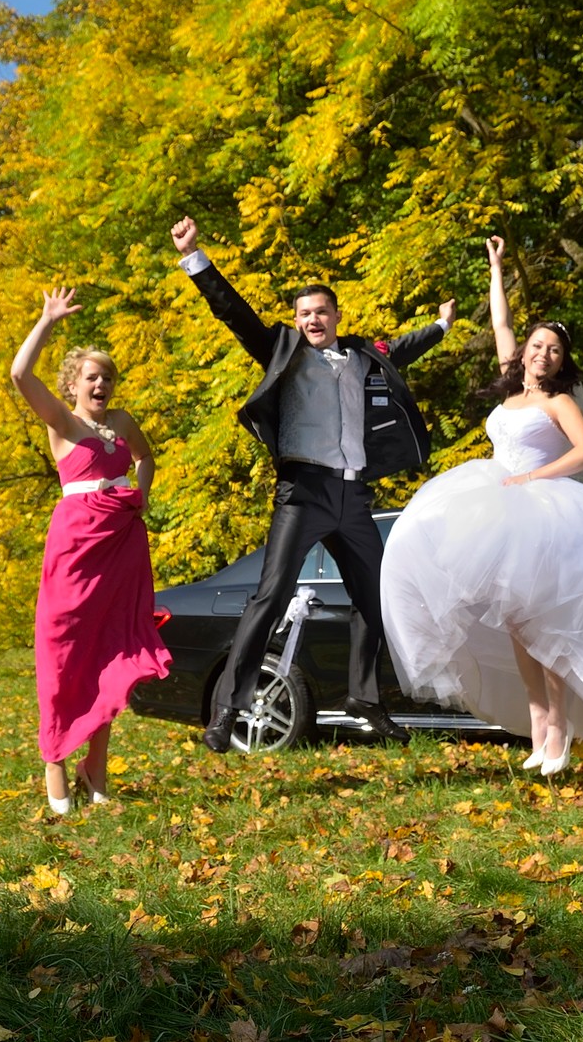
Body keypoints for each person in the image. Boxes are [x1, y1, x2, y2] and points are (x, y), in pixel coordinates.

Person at [381, 236, 583, 774]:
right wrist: (496, 269)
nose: (542, 354)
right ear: (525, 352)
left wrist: (531, 477)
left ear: (561, 361)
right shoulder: (511, 389)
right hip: (500, 502)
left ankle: (560, 729)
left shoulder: (557, 400)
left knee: (547, 627)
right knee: (518, 627)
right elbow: (501, 324)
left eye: (553, 350)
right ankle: (539, 725)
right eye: (536, 345)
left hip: (545, 512)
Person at [168, 216, 455, 753]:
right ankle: (227, 707)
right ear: (295, 321)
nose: (311, 319)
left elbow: (403, 348)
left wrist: (440, 327)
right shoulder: (284, 350)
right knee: (269, 596)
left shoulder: (364, 355)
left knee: (376, 597)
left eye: (320, 310)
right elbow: (234, 313)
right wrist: (196, 259)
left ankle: (364, 698)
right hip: (303, 491)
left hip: (352, 497)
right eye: (302, 313)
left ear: (336, 315)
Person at [10, 288, 172, 814]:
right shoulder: (63, 424)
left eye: (107, 377)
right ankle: (55, 759)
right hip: (76, 547)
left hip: (122, 544)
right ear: (73, 385)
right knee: (62, 652)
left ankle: (96, 769)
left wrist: (141, 494)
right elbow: (19, 375)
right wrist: (47, 320)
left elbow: (146, 458)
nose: (101, 384)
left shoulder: (122, 423)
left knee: (111, 651)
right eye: (91, 377)